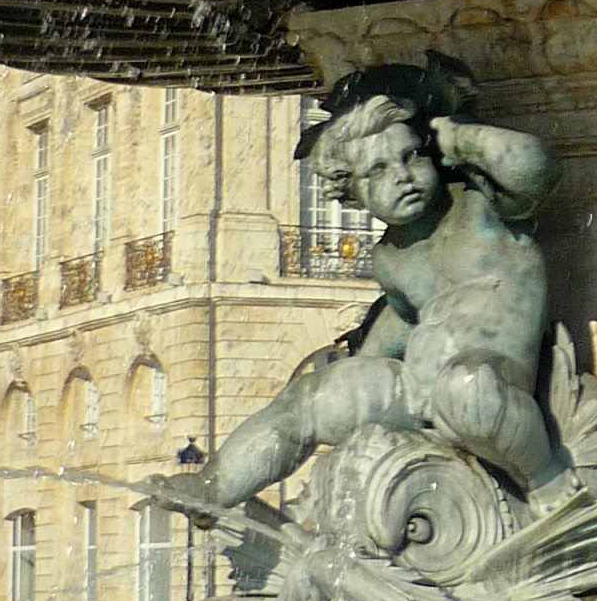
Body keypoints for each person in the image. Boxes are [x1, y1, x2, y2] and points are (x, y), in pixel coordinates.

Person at [175, 57, 572, 512]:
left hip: (489, 387)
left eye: (411, 156)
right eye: (377, 171)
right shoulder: (390, 259)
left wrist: (457, 135)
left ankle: (552, 486)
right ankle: (214, 487)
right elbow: (398, 328)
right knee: (310, 397)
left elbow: (539, 169)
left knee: (467, 390)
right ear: (352, 193)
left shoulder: (480, 203)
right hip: (419, 392)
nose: (401, 175)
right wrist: (348, 384)